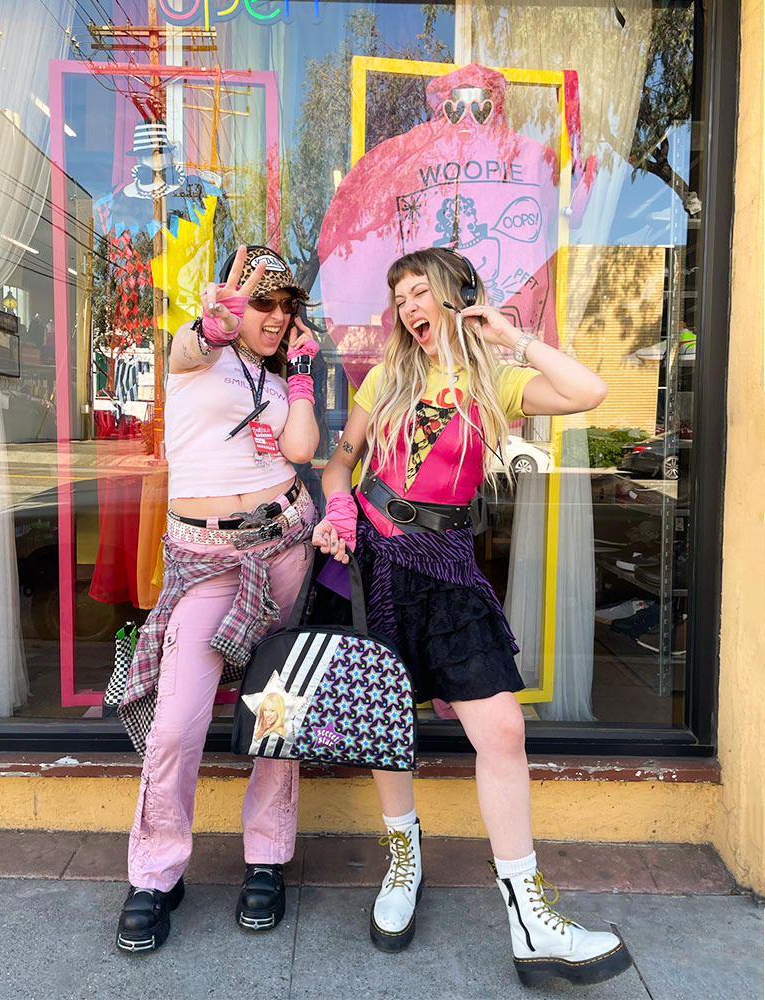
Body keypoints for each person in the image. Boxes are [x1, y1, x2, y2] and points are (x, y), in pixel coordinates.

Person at [312, 247, 632, 988]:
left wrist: (510, 337)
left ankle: (529, 917)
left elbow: (589, 391)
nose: (408, 308)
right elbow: (341, 459)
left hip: (447, 569)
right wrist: (336, 508)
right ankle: (404, 859)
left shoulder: (500, 382)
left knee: (501, 729)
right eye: (400, 298)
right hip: (370, 562)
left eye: (420, 291)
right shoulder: (389, 375)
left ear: (457, 294)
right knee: (384, 722)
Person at [115, 244, 320, 952]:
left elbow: (299, 451)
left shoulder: (278, 373)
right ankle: (155, 873)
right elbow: (195, 339)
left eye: (284, 305)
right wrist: (214, 324)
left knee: (277, 712)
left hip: (286, 545)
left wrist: (300, 375)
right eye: (261, 301)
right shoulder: (192, 354)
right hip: (205, 562)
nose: (274, 316)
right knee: (177, 724)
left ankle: (266, 859)